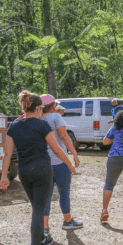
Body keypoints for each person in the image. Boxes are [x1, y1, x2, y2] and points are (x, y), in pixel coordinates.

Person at [0, 91, 77, 245]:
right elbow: (57, 149)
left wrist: (4, 176)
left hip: (24, 171)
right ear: (38, 108)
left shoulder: (14, 126)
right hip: (42, 169)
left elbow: (7, 153)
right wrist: (70, 164)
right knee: (38, 210)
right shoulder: (42, 125)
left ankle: (42, 239)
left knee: (37, 206)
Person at [40, 95, 83, 233]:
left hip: (44, 163)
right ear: (52, 105)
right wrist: (74, 155)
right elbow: (64, 136)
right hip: (59, 161)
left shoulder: (37, 118)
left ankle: (45, 227)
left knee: (46, 195)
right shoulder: (56, 117)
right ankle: (68, 221)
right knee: (64, 192)